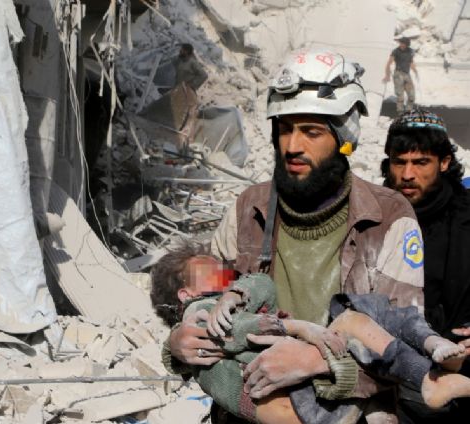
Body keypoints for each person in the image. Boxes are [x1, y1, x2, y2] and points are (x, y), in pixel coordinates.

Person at [166, 50, 427, 423]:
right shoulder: (248, 210)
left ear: (346, 136)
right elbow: (205, 301)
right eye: (285, 129)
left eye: (311, 131)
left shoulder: (388, 219)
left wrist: (320, 361)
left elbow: (403, 346)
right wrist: (179, 341)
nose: (292, 146)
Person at [151, 243, 469, 423]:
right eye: (209, 271)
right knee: (358, 319)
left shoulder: (227, 300)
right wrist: (297, 327)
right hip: (296, 402)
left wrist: (236, 293)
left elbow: (260, 284)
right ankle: (428, 372)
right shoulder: (201, 312)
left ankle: (428, 366)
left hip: (305, 399)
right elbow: (234, 331)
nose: (224, 273)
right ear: (185, 294)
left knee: (366, 322)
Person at [381, 108, 470, 422]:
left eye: (420, 163)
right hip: (388, 368)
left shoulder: (465, 217)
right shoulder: (372, 217)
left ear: (444, 162)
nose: (407, 175)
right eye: (399, 162)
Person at [383, 37, 418, 114]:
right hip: (398, 74)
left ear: (407, 44)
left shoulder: (410, 51)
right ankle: (400, 112)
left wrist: (415, 71)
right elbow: (389, 63)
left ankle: (408, 111)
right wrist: (387, 75)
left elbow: (411, 62)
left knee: (412, 95)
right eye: (401, 43)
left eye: (403, 43)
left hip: (407, 74)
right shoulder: (396, 51)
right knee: (400, 96)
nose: (401, 45)